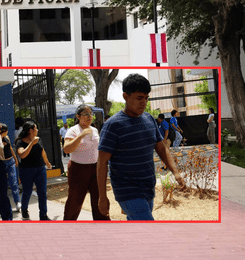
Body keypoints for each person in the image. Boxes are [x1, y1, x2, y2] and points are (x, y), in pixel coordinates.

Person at [98, 73, 185, 221]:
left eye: (146, 98)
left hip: (148, 188)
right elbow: (102, 162)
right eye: (139, 98)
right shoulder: (113, 125)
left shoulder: (149, 119)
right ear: (126, 96)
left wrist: (175, 172)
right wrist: (102, 197)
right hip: (127, 191)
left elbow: (162, 149)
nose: (144, 102)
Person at [62, 105, 110, 221]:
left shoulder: (94, 130)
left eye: (91, 114)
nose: (89, 116)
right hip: (78, 170)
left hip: (95, 168)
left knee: (98, 197)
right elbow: (67, 149)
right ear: (78, 116)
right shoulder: (73, 130)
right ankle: (68, 224)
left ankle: (103, 225)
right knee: (75, 200)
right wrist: (81, 135)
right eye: (86, 114)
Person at [16, 120, 52, 220]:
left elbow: (42, 151)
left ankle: (43, 215)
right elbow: (22, 155)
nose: (37, 130)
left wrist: (47, 161)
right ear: (31, 130)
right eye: (36, 128)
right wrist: (31, 143)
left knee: (42, 192)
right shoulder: (20, 142)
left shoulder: (38, 139)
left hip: (40, 169)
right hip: (26, 170)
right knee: (27, 191)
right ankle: (24, 209)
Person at [0, 123, 21, 212]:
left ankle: (17, 202)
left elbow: (11, 148)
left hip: (10, 161)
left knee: (13, 182)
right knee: (2, 184)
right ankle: (0, 203)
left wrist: (15, 159)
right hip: (2, 163)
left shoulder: (7, 137)